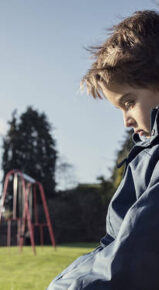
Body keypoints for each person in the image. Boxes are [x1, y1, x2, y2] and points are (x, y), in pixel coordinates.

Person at [48, 10, 159, 290]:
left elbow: (137, 259)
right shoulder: (144, 157)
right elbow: (113, 243)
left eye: (129, 102)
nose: (126, 121)